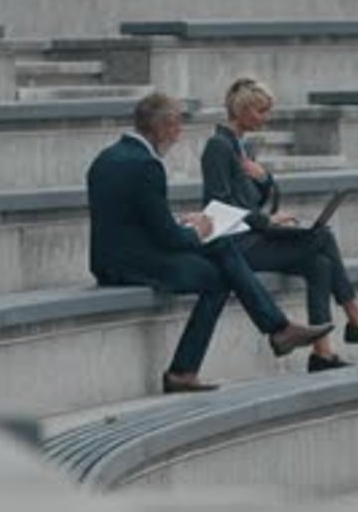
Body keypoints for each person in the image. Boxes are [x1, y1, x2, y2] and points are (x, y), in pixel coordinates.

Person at [87, 92, 333, 394]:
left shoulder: (107, 157)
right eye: (176, 128)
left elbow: (134, 219)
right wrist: (197, 231)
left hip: (112, 258)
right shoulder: (148, 167)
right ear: (162, 127)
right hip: (132, 264)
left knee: (222, 246)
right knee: (218, 277)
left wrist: (185, 223)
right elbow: (167, 237)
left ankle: (278, 330)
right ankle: (185, 370)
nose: (177, 137)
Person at [201, 77, 358, 372]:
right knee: (322, 236)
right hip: (237, 244)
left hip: (255, 235)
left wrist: (264, 178)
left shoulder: (242, 148)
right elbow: (218, 206)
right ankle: (357, 318)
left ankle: (323, 353)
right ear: (241, 110)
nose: (265, 118)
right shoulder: (218, 147)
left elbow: (254, 198)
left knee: (319, 264)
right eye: (260, 111)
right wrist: (266, 220)